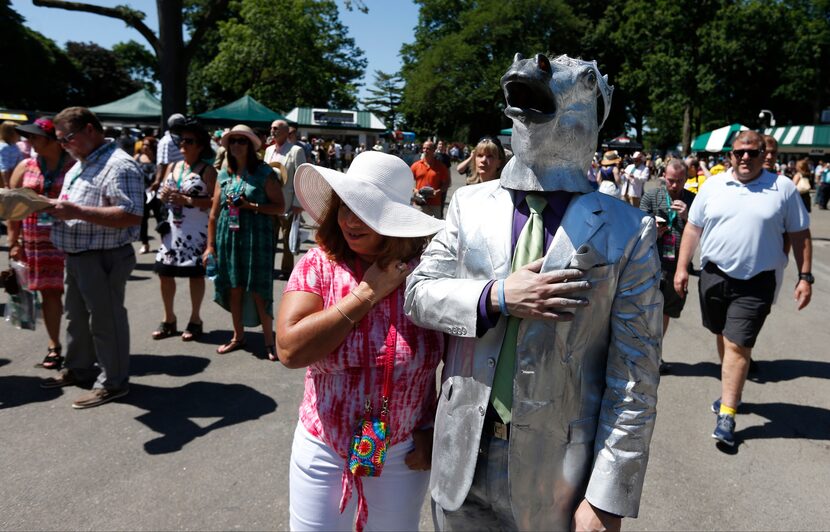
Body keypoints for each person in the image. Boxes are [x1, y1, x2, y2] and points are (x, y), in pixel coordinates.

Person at [405, 53, 660, 531]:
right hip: (462, 452)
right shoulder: (469, 204)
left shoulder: (629, 229)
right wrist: (495, 296)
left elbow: (635, 377)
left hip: (558, 474)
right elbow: (418, 294)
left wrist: (608, 495)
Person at [276, 151, 445, 531]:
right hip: (323, 446)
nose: (350, 221)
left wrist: (437, 429)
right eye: (345, 208)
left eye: (365, 211)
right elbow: (289, 350)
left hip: (404, 448)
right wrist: (366, 294)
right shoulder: (319, 264)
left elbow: (459, 358)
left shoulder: (430, 273)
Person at [674, 130, 812, 447]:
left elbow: (801, 235)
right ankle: (732, 392)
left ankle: (727, 414)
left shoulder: (783, 189)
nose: (745, 158)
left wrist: (806, 277)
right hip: (714, 276)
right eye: (739, 153)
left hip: (757, 281)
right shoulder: (714, 185)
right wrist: (682, 268)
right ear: (731, 155)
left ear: (764, 154)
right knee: (722, 335)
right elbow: (693, 229)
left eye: (752, 152)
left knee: (737, 344)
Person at [39, 106, 144, 409]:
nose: (63, 145)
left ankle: (113, 382)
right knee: (76, 317)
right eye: (59, 140)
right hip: (79, 254)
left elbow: (132, 214)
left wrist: (75, 211)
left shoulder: (119, 165)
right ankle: (79, 367)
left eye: (67, 138)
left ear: (90, 130)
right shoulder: (83, 162)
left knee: (106, 321)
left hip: (103, 256)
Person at [204, 125, 285, 359]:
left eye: (242, 141)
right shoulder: (223, 173)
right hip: (228, 238)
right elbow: (213, 214)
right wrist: (210, 246)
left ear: (250, 146)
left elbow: (280, 206)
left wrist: (251, 206)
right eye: (233, 141)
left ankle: (270, 341)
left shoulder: (263, 172)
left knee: (259, 288)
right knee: (234, 288)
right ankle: (237, 336)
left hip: (256, 239)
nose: (237, 145)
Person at [6, 118, 74, 369]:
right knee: (49, 293)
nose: (29, 142)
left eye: (34, 137)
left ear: (51, 139)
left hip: (69, 238)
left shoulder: (73, 165)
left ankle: (83, 346)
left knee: (78, 295)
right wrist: (14, 242)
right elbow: (12, 207)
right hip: (35, 239)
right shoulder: (26, 166)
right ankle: (54, 345)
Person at [152, 120, 217, 342]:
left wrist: (187, 199)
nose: (183, 145)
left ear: (200, 146)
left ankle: (195, 319)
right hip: (172, 228)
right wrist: (163, 195)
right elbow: (163, 190)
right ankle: (168, 318)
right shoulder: (173, 167)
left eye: (189, 141)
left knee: (194, 275)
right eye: (181, 140)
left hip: (196, 230)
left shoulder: (207, 171)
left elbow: (215, 203)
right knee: (164, 272)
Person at [640, 159, 695, 375]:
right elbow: (639, 223)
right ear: (664, 176)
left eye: (679, 181)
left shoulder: (692, 199)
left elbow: (703, 229)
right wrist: (651, 226)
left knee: (666, 312)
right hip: (652, 263)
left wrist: (688, 216)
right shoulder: (652, 196)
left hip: (677, 265)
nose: (674, 185)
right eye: (671, 181)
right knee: (646, 311)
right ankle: (642, 354)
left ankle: (655, 354)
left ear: (686, 179)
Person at [264, 119, 307, 279]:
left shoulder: (296, 151)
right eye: (271, 128)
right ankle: (268, 266)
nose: (272, 131)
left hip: (288, 203)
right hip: (269, 202)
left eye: (275, 128)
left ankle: (286, 270)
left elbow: (301, 178)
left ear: (285, 131)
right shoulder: (268, 151)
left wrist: (298, 203)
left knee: (288, 238)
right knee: (269, 237)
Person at [135, 136, 163, 254]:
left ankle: (164, 242)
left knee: (160, 218)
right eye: (143, 144)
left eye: (147, 145)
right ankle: (145, 243)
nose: (144, 147)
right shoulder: (137, 158)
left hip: (155, 193)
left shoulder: (158, 159)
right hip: (141, 193)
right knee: (143, 220)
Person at [410, 140, 450, 218]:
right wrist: (415, 190)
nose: (425, 150)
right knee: (418, 227)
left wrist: (438, 192)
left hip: (435, 204)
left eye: (428, 148)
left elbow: (446, 183)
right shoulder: (416, 165)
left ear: (434, 150)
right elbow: (407, 180)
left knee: (434, 228)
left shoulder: (441, 166)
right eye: (424, 148)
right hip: (419, 203)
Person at [153, 113, 186, 191]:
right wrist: (157, 181)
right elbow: (163, 164)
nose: (181, 128)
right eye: (178, 126)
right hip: (168, 184)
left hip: (181, 182)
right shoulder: (166, 141)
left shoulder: (182, 140)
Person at [1, 121, 25, 187]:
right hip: (6, 178)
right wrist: (6, 184)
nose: (20, 135)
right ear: (10, 134)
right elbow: (4, 166)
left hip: (14, 173)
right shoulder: (4, 147)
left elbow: (20, 160)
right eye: (18, 133)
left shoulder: (14, 145)